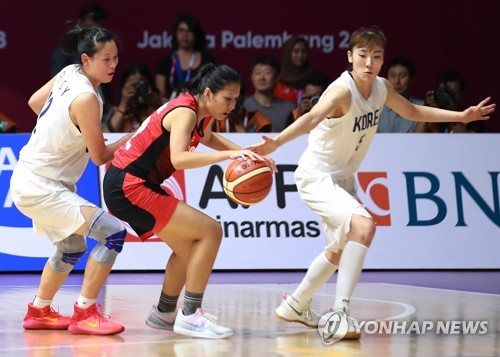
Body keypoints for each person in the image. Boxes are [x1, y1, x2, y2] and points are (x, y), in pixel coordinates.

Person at [247, 26, 495, 338]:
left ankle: (296, 304)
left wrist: (460, 117)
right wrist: (277, 144)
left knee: (338, 251)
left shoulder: (381, 87)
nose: (369, 62)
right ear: (350, 57)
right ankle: (340, 314)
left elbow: (413, 110)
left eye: (376, 57)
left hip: (343, 179)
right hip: (317, 175)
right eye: (363, 55)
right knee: (364, 227)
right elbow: (310, 118)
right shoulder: (341, 91)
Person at [102, 63, 276, 339]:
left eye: (236, 99)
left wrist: (246, 153)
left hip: (127, 182)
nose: (232, 105)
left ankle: (164, 313)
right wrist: (228, 157)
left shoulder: (199, 111)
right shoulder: (184, 111)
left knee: (188, 248)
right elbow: (179, 158)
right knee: (211, 230)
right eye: (227, 99)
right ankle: (191, 315)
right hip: (129, 184)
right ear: (208, 93)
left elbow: (209, 137)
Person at [10, 26, 134, 335]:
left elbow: (35, 103)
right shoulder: (86, 98)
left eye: (116, 58)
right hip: (42, 185)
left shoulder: (68, 73)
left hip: (30, 176)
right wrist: (133, 138)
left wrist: (64, 128)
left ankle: (39, 310)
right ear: (86, 59)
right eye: (106, 59)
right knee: (113, 233)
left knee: (71, 246)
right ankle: (86, 312)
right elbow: (100, 156)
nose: (113, 65)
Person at [50, 3, 113, 115]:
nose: (94, 36)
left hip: (101, 114)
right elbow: (40, 100)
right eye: (90, 28)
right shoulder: (64, 60)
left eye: (99, 30)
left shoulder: (105, 57)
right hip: (73, 114)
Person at [155, 13, 216, 101]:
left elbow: (212, 90)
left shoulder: (207, 60)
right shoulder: (165, 62)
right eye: (181, 30)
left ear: (196, 35)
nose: (185, 34)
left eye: (189, 30)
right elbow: (159, 95)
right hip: (171, 110)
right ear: (175, 33)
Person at [102, 62, 163, 132]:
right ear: (123, 87)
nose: (137, 89)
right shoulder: (117, 110)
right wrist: (123, 104)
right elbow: (106, 134)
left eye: (140, 84)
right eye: (132, 85)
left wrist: (158, 105)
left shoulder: (157, 105)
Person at [244, 55, 295, 132]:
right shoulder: (244, 107)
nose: (262, 78)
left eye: (267, 73)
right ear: (251, 77)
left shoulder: (289, 108)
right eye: (257, 73)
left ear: (277, 77)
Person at [377, 57, 426, 133]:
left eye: (402, 76)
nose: (397, 81)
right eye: (392, 76)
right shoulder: (376, 107)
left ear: (411, 79)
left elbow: (419, 140)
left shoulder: (422, 107)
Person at [274, 36, 314, 106]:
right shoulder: (277, 81)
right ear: (288, 53)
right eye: (296, 51)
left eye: (303, 51)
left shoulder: (313, 78)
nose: (300, 55)